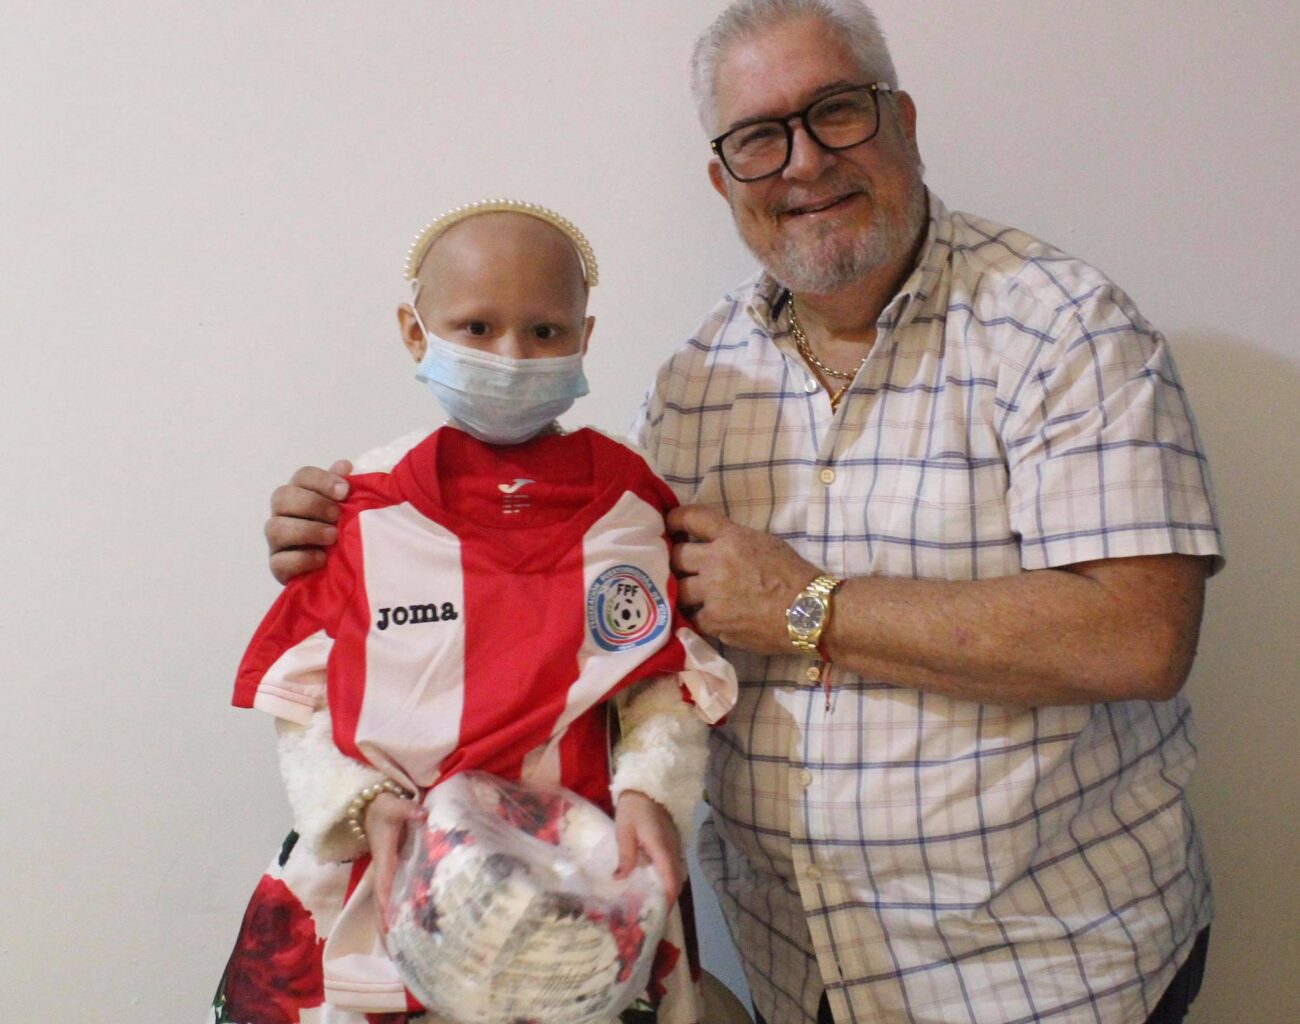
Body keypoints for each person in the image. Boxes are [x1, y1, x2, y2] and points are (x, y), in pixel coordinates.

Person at [263, 4, 1223, 1023]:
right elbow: (594, 630)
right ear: (724, 180)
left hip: (1041, 971)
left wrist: (807, 606)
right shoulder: (695, 383)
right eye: (760, 137)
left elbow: (1141, 637)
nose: (803, 162)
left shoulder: (1064, 328)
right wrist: (356, 528)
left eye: (836, 112)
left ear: (901, 120)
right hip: (797, 967)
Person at [215, 199, 738, 1024]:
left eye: (544, 331)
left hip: (581, 897)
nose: (511, 356)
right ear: (415, 332)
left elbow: (661, 680)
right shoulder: (359, 506)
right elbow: (302, 695)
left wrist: (652, 795)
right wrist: (357, 805)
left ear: (584, 336)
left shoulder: (631, 505)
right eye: (478, 327)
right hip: (385, 878)